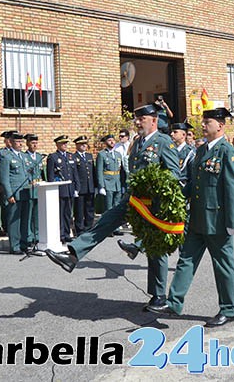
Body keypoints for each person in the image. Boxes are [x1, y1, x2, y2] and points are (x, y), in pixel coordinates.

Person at [47, 104, 181, 312]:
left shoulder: (164, 142)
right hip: (134, 199)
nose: (137, 122)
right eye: (136, 119)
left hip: (153, 204)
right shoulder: (137, 143)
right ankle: (73, 255)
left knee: (155, 248)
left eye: (141, 119)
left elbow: (174, 174)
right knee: (106, 220)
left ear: (153, 120)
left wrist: (155, 187)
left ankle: (159, 296)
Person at [150, 107, 234, 328]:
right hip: (198, 219)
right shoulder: (201, 151)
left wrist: (232, 224)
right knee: (186, 260)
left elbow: (233, 190)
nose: (202, 125)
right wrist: (175, 195)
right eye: (203, 121)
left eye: (207, 122)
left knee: (223, 266)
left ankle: (228, 310)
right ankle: (174, 303)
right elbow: (194, 184)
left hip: (219, 222)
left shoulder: (227, 152)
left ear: (220, 126)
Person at [0, 133, 30, 254]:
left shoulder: (24, 156)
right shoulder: (6, 157)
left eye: (21, 142)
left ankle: (24, 243)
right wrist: (9, 195)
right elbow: (4, 178)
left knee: (24, 219)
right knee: (14, 221)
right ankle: (15, 246)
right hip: (15, 193)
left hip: (25, 192)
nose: (20, 144)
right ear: (11, 143)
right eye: (17, 142)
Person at [46, 135, 79, 243]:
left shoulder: (70, 156)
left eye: (66, 143)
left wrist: (76, 188)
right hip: (59, 190)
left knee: (67, 213)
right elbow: (50, 176)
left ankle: (66, 233)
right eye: (62, 143)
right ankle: (60, 234)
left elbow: (74, 174)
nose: (65, 145)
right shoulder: (53, 157)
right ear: (57, 144)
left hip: (69, 189)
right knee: (59, 214)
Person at [23, 134, 45, 250]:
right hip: (29, 189)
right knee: (28, 215)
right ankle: (28, 237)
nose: (34, 145)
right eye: (32, 143)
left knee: (37, 215)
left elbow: (42, 173)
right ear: (27, 143)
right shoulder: (24, 156)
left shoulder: (40, 156)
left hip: (39, 189)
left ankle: (37, 236)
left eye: (36, 143)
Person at [72, 136, 96, 235]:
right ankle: (80, 229)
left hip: (90, 186)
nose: (84, 146)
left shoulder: (89, 156)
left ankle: (89, 227)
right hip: (80, 188)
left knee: (90, 209)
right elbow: (74, 174)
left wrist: (96, 185)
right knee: (79, 210)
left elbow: (93, 172)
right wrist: (75, 188)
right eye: (81, 144)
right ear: (77, 145)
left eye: (85, 144)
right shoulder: (73, 157)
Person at [96, 135, 123, 213]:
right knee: (108, 207)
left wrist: (122, 184)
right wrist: (101, 186)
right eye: (109, 140)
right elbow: (99, 171)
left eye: (113, 140)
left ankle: (116, 224)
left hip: (117, 183)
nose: (112, 142)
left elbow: (121, 170)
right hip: (107, 183)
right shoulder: (102, 154)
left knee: (117, 206)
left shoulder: (118, 154)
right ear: (105, 142)